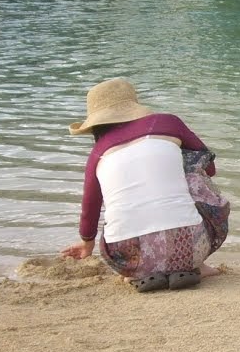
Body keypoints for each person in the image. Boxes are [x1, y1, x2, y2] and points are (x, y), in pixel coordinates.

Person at [60, 78, 231, 292]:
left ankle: (138, 274)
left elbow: (90, 206)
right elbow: (209, 168)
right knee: (190, 168)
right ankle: (197, 265)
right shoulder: (168, 123)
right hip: (191, 248)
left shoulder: (97, 154)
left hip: (125, 260)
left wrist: (87, 243)